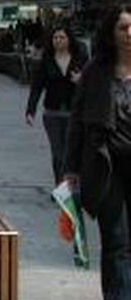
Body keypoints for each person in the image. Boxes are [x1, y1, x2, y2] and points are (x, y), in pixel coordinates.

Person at [66, 4, 131, 300]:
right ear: (111, 33)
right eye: (123, 28)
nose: (129, 34)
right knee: (117, 242)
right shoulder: (96, 72)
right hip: (107, 169)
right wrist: (71, 169)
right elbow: (76, 121)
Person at [26, 25, 89, 186]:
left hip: (74, 112)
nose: (58, 41)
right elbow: (37, 87)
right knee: (57, 153)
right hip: (52, 112)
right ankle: (60, 187)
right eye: (55, 38)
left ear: (69, 40)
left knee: (71, 152)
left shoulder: (80, 59)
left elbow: (93, 83)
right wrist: (30, 110)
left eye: (62, 37)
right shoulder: (46, 60)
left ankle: (72, 186)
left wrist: (81, 80)